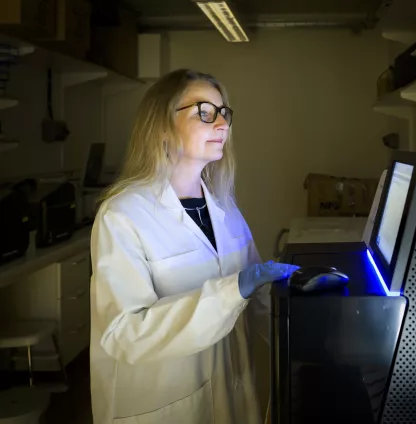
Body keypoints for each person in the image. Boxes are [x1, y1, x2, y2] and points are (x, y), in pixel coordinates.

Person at [89, 69, 299, 424]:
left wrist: (300, 310)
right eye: (205, 112)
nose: (222, 125)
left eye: (224, 113)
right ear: (161, 125)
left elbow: (258, 302)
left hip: (233, 391)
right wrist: (234, 289)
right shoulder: (123, 215)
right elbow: (123, 333)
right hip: (166, 404)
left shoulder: (225, 209)